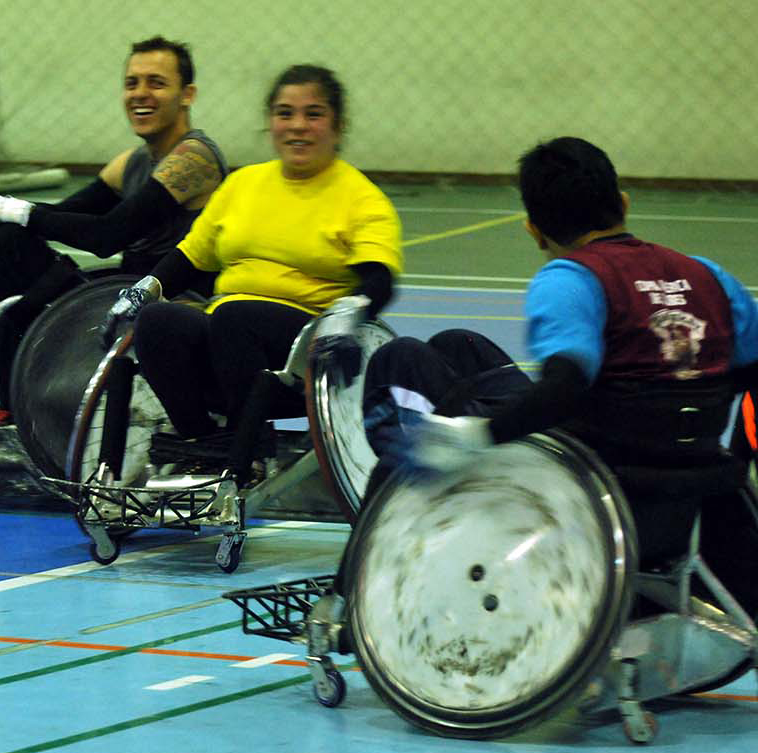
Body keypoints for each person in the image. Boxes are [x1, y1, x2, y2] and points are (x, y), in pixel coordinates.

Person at [366, 136, 758, 607]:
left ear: (534, 230)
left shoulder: (571, 279)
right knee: (458, 346)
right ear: (623, 204)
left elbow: (565, 388)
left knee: (402, 360)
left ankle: (367, 582)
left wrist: (477, 436)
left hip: (590, 488)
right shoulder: (709, 276)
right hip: (693, 485)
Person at [103, 64, 402, 478]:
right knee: (157, 320)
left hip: (306, 348)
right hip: (226, 333)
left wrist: (349, 315)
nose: (297, 126)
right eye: (285, 113)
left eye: (313, 114)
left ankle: (250, 448)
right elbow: (190, 256)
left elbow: (378, 279)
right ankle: (203, 442)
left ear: (338, 125)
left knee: (234, 316)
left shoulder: (362, 199)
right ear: (271, 122)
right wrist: (141, 291)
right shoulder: (243, 184)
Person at [0, 35, 228, 424]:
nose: (140, 94)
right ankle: (18, 409)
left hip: (168, 303)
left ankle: (43, 387)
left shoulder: (195, 158)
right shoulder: (131, 163)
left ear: (187, 95)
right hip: (121, 291)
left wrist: (7, 208)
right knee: (4, 243)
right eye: (132, 83)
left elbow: (108, 236)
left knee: (22, 286)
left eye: (157, 83)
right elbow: (63, 216)